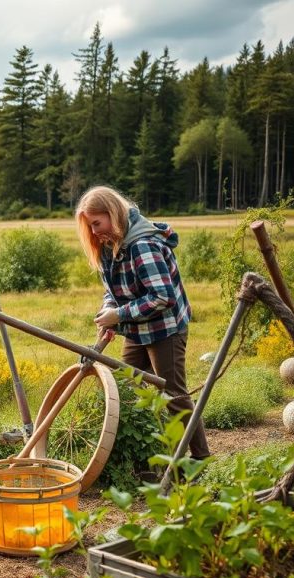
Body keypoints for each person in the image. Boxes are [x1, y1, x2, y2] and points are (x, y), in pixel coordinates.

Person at [75, 185, 210, 461]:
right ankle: (150, 453)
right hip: (137, 329)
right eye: (90, 227)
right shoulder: (108, 244)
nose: (94, 232)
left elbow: (163, 297)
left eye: (97, 223)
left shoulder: (142, 245)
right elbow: (112, 291)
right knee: (127, 388)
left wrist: (121, 315)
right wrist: (109, 310)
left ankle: (199, 458)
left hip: (165, 329)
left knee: (172, 393)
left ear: (112, 213)